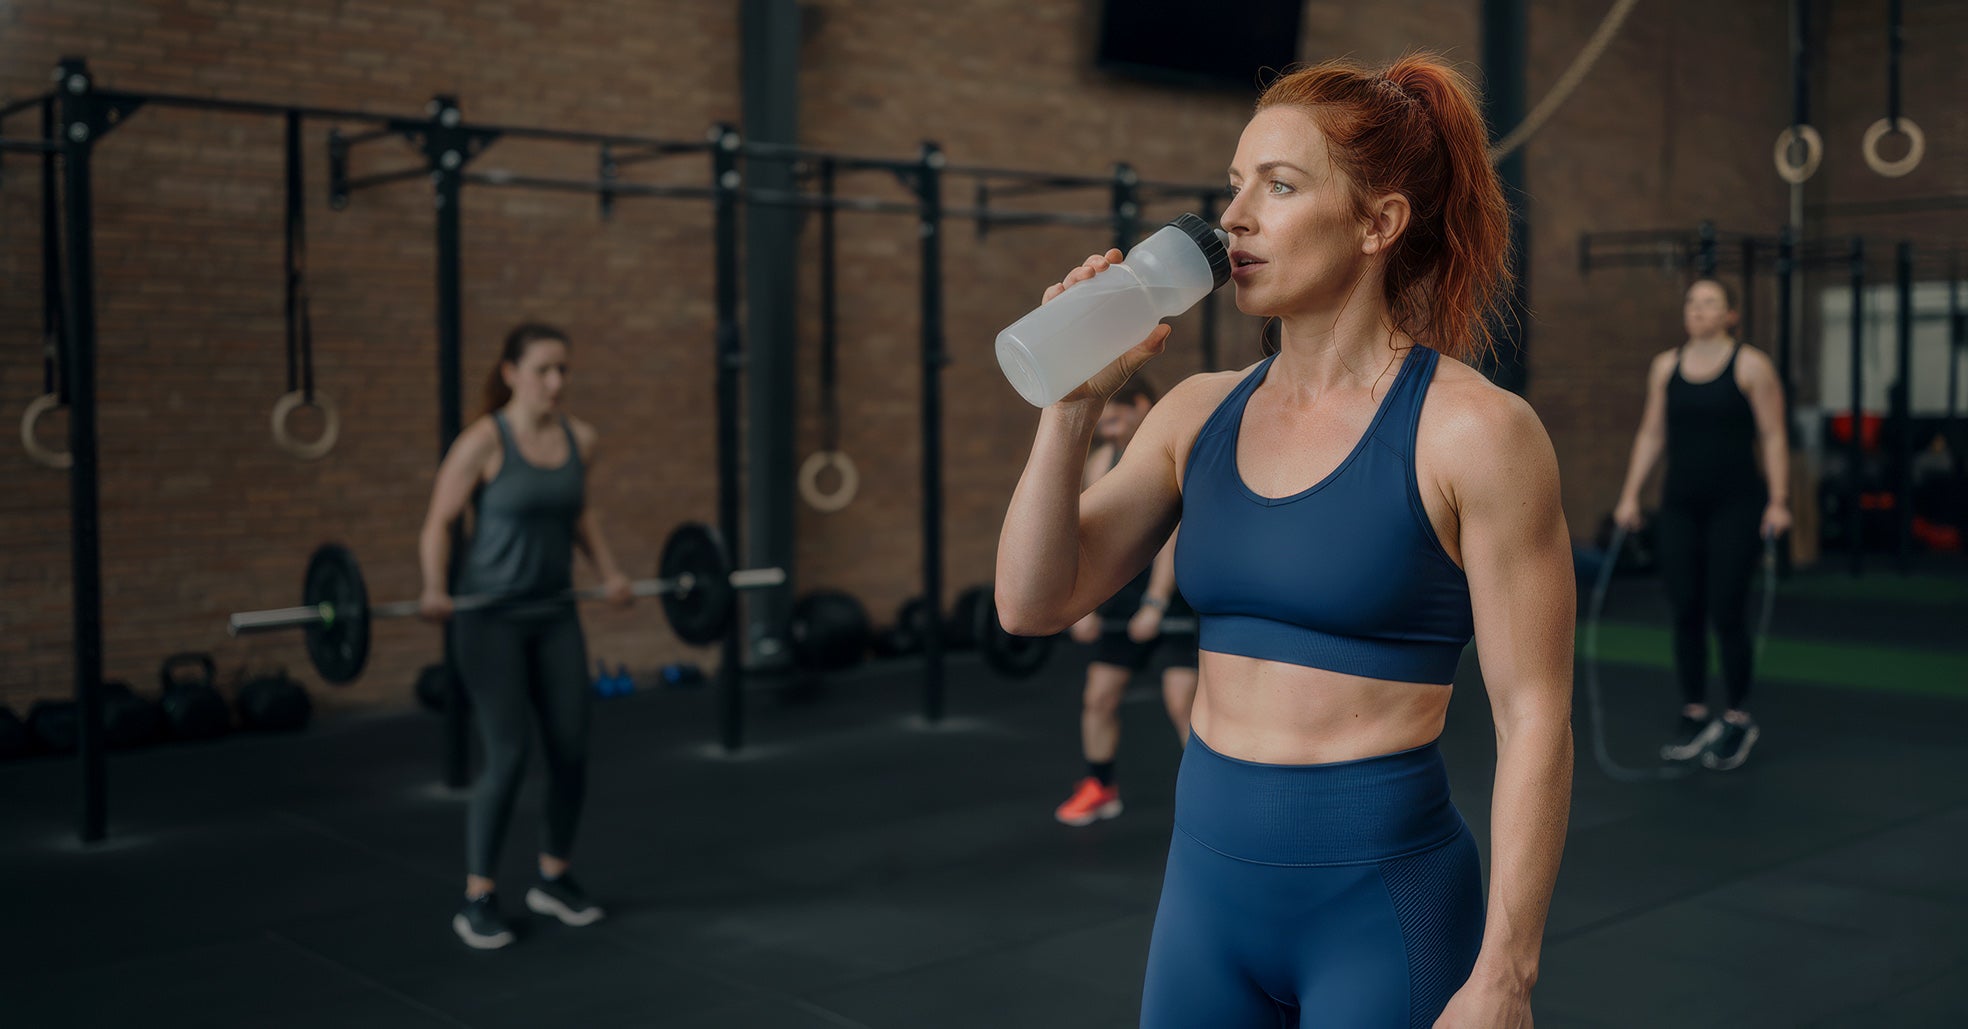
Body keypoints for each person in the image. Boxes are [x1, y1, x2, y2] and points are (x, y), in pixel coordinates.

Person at [996, 55, 1574, 1026]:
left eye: (1281, 185)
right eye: (1235, 185)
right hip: (1206, 899)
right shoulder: (1193, 413)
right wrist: (1070, 407)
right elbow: (1030, 602)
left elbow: (1535, 722)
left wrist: (1506, 977)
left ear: (1379, 223)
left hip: (1381, 906)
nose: (1236, 219)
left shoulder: (1474, 433)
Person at [418, 322, 632, 949]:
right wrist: (434, 586)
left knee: (571, 749)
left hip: (555, 615)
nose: (556, 382)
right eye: (543, 369)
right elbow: (438, 522)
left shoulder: (580, 439)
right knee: (509, 754)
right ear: (511, 372)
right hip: (490, 620)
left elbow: (580, 515)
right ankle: (478, 896)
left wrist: (613, 574)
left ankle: (554, 877)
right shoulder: (483, 442)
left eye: (563, 370)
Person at [1613, 279, 1790, 771]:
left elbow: (1774, 436)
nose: (1698, 309)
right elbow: (1652, 432)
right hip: (1680, 504)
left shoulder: (1751, 366)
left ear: (1731, 315)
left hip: (1737, 504)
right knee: (1684, 607)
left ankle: (1736, 717)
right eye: (1691, 301)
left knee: (1726, 608)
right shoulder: (1665, 367)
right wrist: (1630, 494)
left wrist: (1778, 500)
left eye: (1710, 302)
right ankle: (1694, 712)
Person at [1053, 380, 1199, 828]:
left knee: (1181, 701)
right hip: (1122, 599)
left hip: (1172, 599)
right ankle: (1099, 787)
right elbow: (1093, 538)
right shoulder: (1103, 461)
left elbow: (1172, 536)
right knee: (1098, 695)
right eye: (1106, 424)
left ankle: (1209, 803)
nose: (1111, 431)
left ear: (1142, 406)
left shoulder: (1171, 451)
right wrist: (1085, 606)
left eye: (1116, 419)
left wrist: (1156, 602)